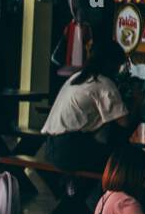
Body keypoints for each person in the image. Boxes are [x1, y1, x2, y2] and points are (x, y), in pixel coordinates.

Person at [41, 39, 133, 173]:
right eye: (118, 65)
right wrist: (136, 101)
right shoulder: (104, 84)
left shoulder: (77, 77)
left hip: (50, 147)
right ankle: (101, 194)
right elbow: (125, 124)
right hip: (70, 150)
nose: (118, 71)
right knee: (120, 161)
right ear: (110, 63)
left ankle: (78, 192)